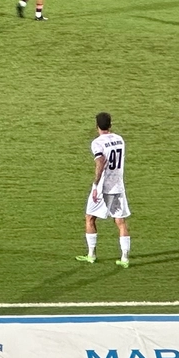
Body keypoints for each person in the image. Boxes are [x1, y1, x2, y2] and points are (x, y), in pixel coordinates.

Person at [76, 112, 130, 268]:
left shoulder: (97, 143)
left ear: (96, 126)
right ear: (110, 125)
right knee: (120, 221)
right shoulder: (120, 139)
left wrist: (95, 185)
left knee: (90, 218)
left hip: (103, 187)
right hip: (118, 186)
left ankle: (91, 255)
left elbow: (100, 162)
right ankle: (125, 258)